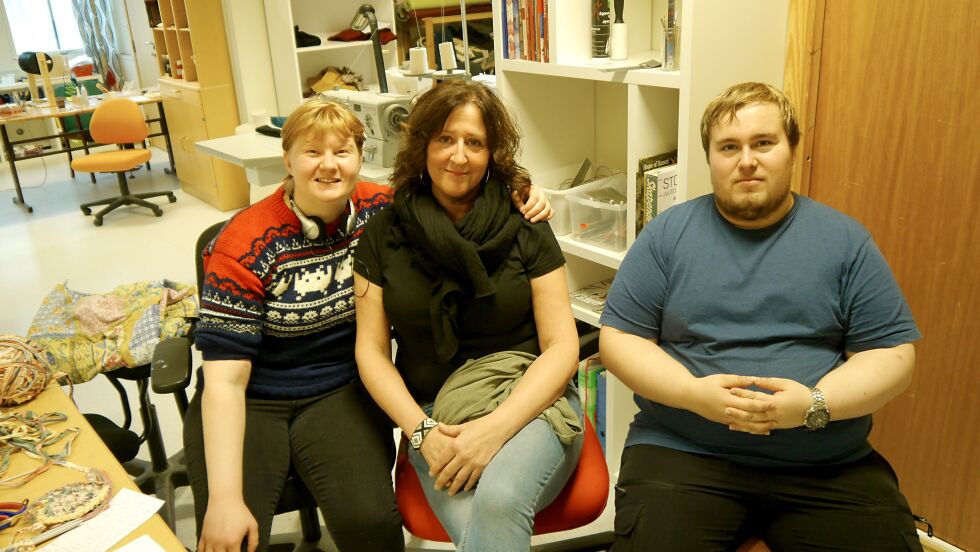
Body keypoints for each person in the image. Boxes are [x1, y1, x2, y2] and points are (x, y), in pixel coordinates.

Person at [185, 98, 554, 552]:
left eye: (342, 151)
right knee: (233, 536)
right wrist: (224, 499)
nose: (328, 166)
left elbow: (450, 186)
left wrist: (523, 188)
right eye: (311, 152)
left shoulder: (383, 213)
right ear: (287, 159)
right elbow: (224, 382)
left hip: (338, 389)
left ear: (362, 157)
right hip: (253, 394)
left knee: (373, 527)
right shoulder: (242, 242)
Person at [599, 82, 923, 550]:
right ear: (709, 158)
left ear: (792, 150)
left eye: (763, 143)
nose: (746, 160)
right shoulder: (666, 235)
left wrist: (813, 405)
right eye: (728, 147)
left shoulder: (844, 241)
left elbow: (892, 355)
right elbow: (620, 339)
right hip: (685, 454)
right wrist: (693, 395)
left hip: (824, 464)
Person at [353, 80, 584, 552]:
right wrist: (420, 433)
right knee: (476, 528)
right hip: (435, 419)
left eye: (474, 142)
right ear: (422, 146)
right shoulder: (384, 232)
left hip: (529, 402)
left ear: (492, 153)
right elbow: (372, 351)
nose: (459, 156)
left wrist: (494, 430)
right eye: (445, 139)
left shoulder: (525, 222)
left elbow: (563, 346)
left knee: (498, 504)